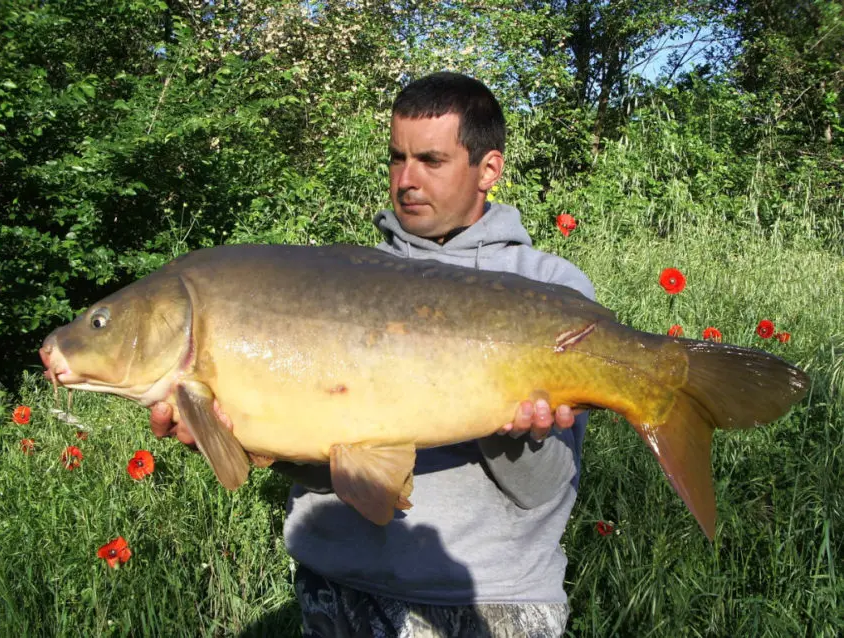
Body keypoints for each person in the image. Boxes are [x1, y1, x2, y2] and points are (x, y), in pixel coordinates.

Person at [150, 72, 594, 637]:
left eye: (430, 160)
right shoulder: (338, 281)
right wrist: (238, 438)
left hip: (493, 602)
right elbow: (318, 458)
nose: (406, 180)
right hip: (341, 591)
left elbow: (543, 490)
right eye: (396, 158)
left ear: (489, 170)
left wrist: (509, 428)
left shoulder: (546, 289)